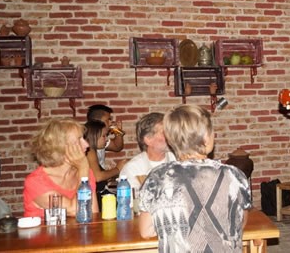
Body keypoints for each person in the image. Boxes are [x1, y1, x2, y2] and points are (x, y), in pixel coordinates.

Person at [137, 104, 252, 252]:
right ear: (206, 137)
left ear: (171, 140)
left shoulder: (157, 177)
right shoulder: (234, 175)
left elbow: (146, 231)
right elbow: (240, 222)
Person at [23, 118, 99, 218]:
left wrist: (84, 171)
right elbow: (76, 210)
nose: (87, 145)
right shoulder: (36, 181)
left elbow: (93, 214)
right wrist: (83, 169)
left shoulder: (85, 173)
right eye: (79, 140)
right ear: (60, 147)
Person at [120, 113, 176, 190]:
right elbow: (131, 200)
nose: (170, 135)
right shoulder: (133, 169)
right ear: (148, 140)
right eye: (164, 132)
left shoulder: (177, 160)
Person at [84, 120, 126, 204]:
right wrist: (118, 169)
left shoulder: (92, 150)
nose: (107, 139)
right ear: (94, 136)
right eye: (104, 136)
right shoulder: (90, 151)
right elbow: (97, 177)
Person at [86, 104, 125, 169]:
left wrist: (118, 131)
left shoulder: (101, 137)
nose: (110, 123)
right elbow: (98, 176)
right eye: (108, 120)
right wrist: (118, 169)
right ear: (97, 121)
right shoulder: (87, 140)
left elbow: (117, 147)